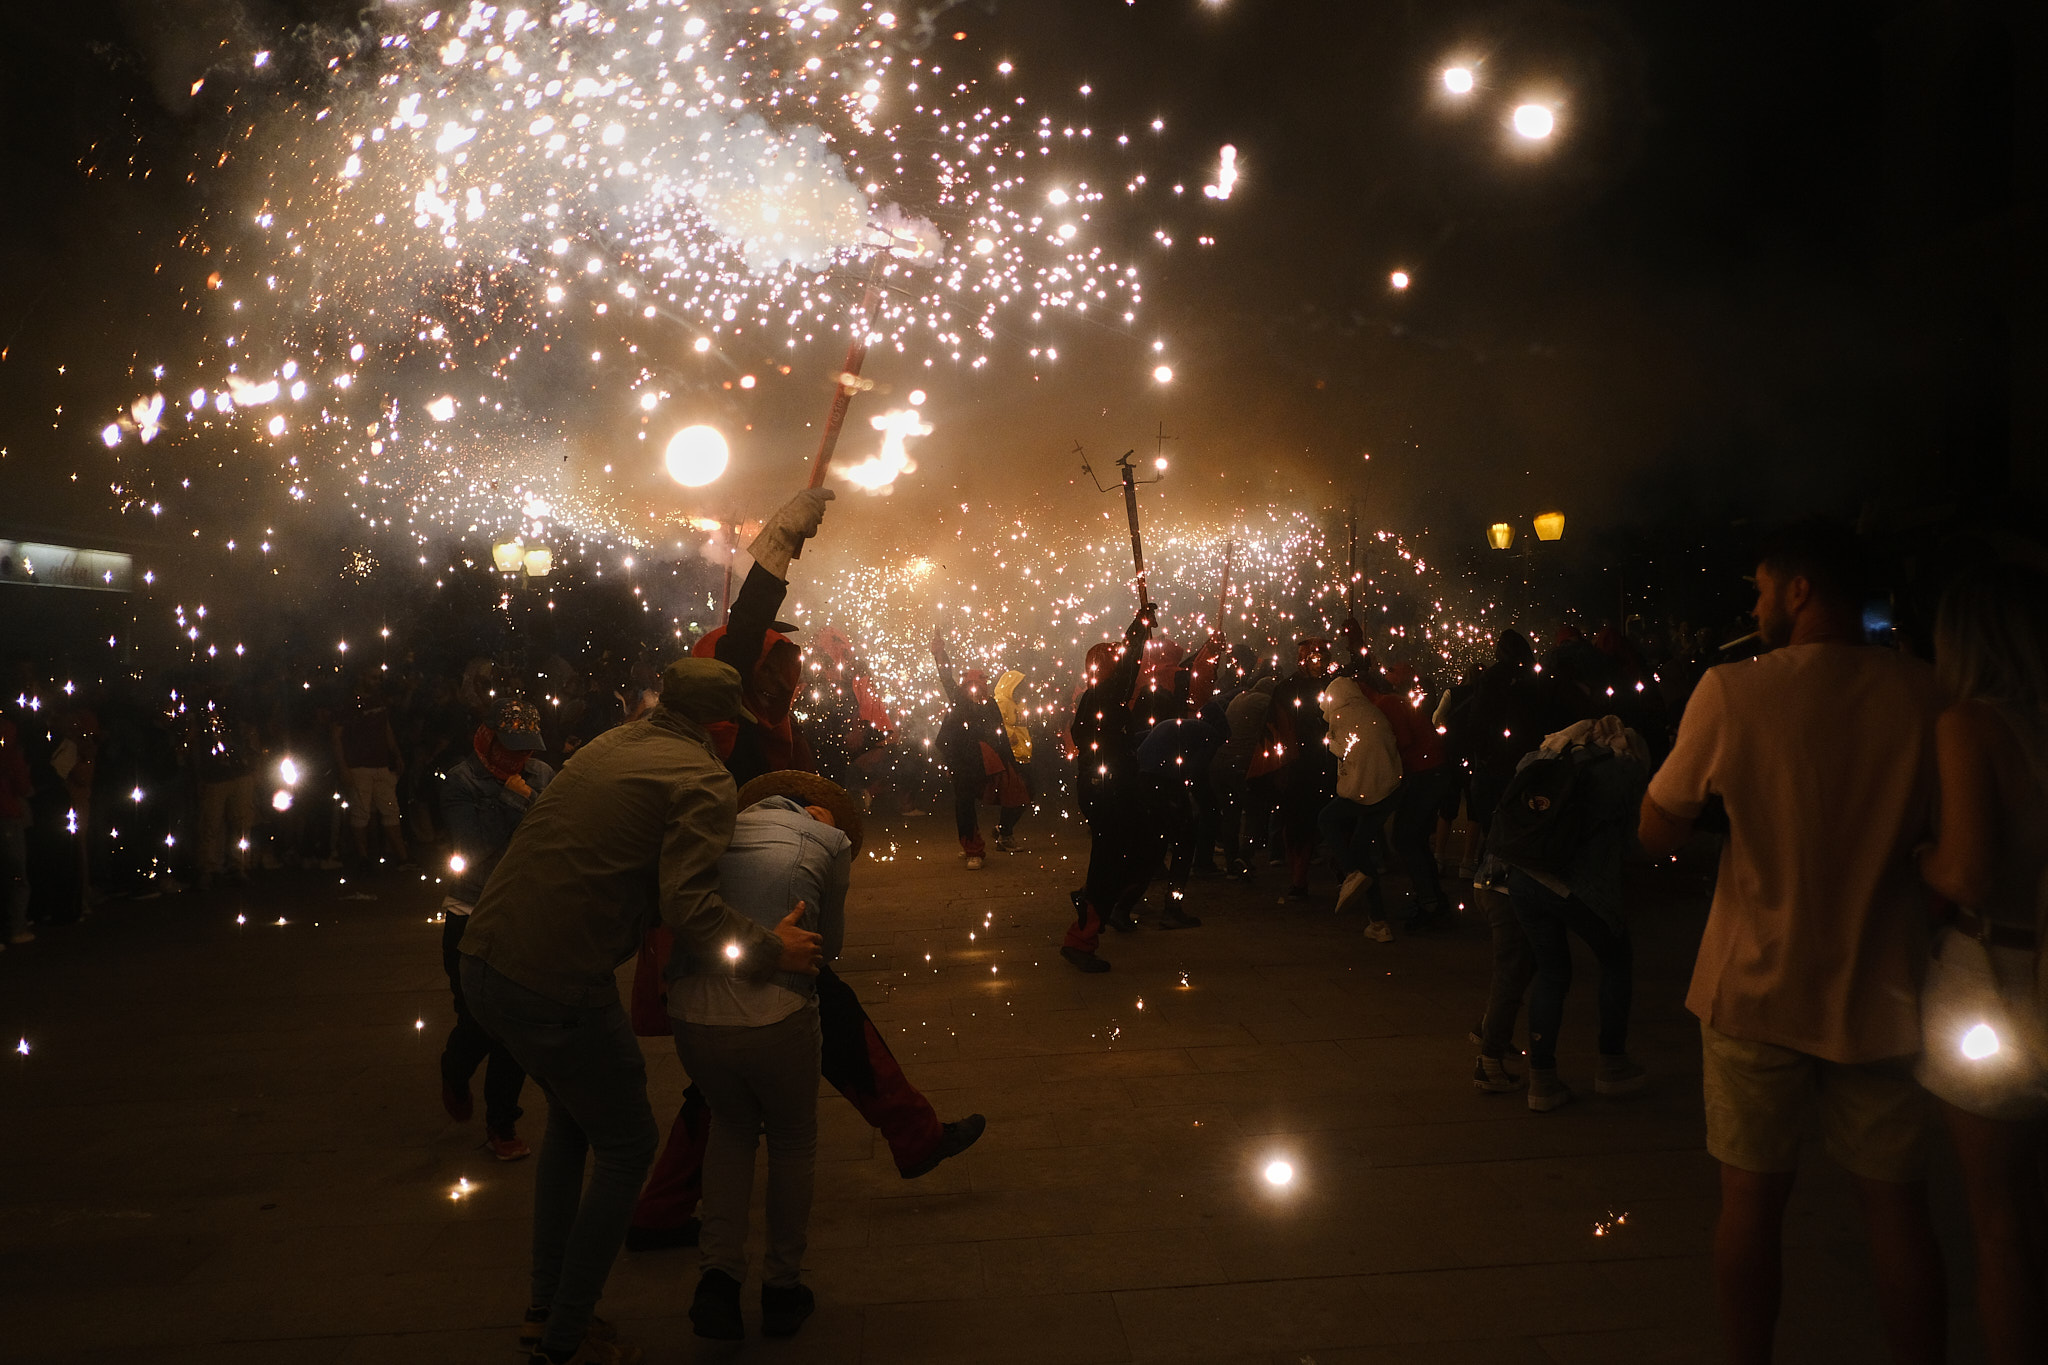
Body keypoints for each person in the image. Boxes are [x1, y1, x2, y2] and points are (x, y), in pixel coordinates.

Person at [627, 491, 984, 1251]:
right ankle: (911, 1137)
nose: (791, 672)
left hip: (768, 920)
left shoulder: (774, 728)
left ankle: (660, 1211)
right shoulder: (720, 728)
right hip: (732, 923)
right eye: (778, 663)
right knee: (786, 1055)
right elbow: (745, 631)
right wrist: (780, 542)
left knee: (730, 1081)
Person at [1639, 520, 1946, 1365]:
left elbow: (1657, 826)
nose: (1757, 602)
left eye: (1763, 588)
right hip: (1882, 990)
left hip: (1754, 986)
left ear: (1800, 589)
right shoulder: (1926, 695)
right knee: (1898, 1209)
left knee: (1751, 1201)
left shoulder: (1735, 690)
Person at [460, 656, 826, 1365]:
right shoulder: (701, 777)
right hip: (554, 980)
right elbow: (691, 907)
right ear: (723, 729)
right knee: (627, 1146)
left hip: (487, 956)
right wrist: (767, 946)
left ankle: (547, 1312)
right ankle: (565, 1339)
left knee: (572, 1125)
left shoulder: (612, 742)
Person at [1913, 562, 2048, 1365]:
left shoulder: (1971, 726)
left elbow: (1965, 871)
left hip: (1992, 980)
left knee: (1999, 1223)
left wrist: (1920, 854)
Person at [679, 770, 863, 1342]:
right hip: (776, 1013)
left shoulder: (717, 830)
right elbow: (827, 947)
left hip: (691, 1007)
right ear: (814, 808)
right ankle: (782, 1287)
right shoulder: (831, 843)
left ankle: (718, 1281)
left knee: (730, 1129)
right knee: (791, 1140)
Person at [1494, 716, 1650, 1108]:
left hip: (1526, 876)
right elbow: (1634, 833)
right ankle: (1612, 1063)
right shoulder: (1620, 770)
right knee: (1616, 960)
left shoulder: (1547, 754)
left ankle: (1542, 1082)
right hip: (1581, 885)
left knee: (1552, 971)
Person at [439, 697, 553, 1162]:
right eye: (510, 749)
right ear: (487, 738)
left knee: (515, 1026)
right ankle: (454, 1069)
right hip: (471, 909)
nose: (519, 760)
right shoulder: (461, 780)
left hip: (522, 911)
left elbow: (557, 828)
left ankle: (502, 1123)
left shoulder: (541, 776)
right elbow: (476, 844)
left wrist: (529, 794)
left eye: (526, 750)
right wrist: (513, 795)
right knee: (477, 1019)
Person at [1062, 607, 1158, 972]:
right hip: (1107, 792)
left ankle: (1091, 903)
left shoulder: (1099, 695)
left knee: (1121, 856)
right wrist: (1139, 626)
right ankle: (1081, 937)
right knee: (1108, 865)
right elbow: (1130, 662)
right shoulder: (1103, 695)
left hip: (1105, 789)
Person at [1366, 662, 1456, 925]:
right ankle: (1433, 899)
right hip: (1433, 771)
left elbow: (1403, 741)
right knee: (1413, 838)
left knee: (1406, 838)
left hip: (1427, 773)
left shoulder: (1386, 704)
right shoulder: (1390, 701)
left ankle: (1429, 904)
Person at [1314, 674, 1402, 940]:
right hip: (1389, 790)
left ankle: (1351, 872)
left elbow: (1343, 752)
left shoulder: (1341, 718)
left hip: (1362, 791)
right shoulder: (1371, 710)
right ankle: (1379, 923)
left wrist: (1331, 740)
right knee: (1363, 852)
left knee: (1326, 819)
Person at [930, 635, 1026, 868]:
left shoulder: (991, 704)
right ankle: (972, 848)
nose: (975, 690)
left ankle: (1000, 833)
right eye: (970, 686)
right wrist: (940, 654)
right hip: (961, 761)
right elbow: (946, 677)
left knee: (1016, 792)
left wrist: (1009, 763)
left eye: (979, 685)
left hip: (986, 762)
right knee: (963, 803)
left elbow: (999, 733)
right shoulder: (957, 699)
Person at [1269, 639, 1339, 899]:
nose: (1318, 663)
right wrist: (1280, 764)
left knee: (1325, 820)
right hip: (1297, 764)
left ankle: (1322, 874)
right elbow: (1276, 728)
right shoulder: (1287, 689)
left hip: (1328, 761)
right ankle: (1297, 876)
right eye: (1313, 658)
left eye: (1323, 658)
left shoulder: (1335, 686)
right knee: (1295, 821)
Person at [331, 678, 412, 869]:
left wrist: (396, 754)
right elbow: (335, 736)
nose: (376, 681)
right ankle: (363, 858)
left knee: (390, 809)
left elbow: (387, 730)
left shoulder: (378, 701)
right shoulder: (348, 704)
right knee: (361, 812)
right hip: (359, 766)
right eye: (372, 677)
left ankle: (403, 858)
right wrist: (343, 767)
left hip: (381, 764)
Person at [0, 708, 32, 948]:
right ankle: (15, 927)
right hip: (6, 813)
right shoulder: (8, 745)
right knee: (15, 873)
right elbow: (22, 785)